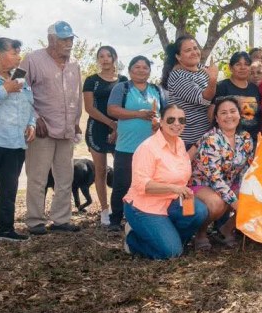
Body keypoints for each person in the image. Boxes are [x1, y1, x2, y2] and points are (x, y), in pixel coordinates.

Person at [122, 105, 208, 259]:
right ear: (161, 122)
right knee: (172, 253)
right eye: (171, 119)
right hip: (144, 207)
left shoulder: (180, 143)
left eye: (181, 120)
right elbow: (142, 185)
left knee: (199, 211)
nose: (177, 124)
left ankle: (166, 236)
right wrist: (174, 188)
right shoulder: (148, 148)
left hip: (171, 202)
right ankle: (132, 240)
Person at [20, 21, 82, 235]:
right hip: (42, 129)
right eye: (64, 39)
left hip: (66, 129)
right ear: (51, 40)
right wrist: (33, 118)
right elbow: (18, 89)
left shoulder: (75, 63)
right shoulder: (31, 59)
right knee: (38, 177)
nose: (69, 43)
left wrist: (76, 122)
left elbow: (77, 94)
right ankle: (35, 221)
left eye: (71, 39)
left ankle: (61, 219)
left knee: (66, 177)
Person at [107, 56, 168, 232]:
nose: (141, 70)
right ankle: (115, 219)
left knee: (149, 183)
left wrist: (160, 122)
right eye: (137, 67)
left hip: (151, 148)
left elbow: (166, 112)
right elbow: (112, 109)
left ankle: (145, 215)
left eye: (145, 67)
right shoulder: (122, 88)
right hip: (126, 146)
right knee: (122, 183)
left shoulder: (157, 90)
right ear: (130, 70)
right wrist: (138, 114)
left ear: (150, 71)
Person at [191, 97, 255, 249]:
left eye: (233, 111)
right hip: (203, 184)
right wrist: (235, 202)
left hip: (229, 184)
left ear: (240, 115)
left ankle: (226, 228)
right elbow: (214, 178)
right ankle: (200, 233)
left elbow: (247, 171)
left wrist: (246, 193)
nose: (229, 116)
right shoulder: (211, 139)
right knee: (217, 203)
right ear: (217, 118)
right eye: (223, 113)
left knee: (255, 196)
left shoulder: (245, 138)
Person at [0, 38, 35, 242]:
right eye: (14, 53)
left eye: (19, 52)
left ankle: (5, 230)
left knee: (9, 187)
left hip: (16, 142)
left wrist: (31, 123)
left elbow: (30, 103)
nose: (19, 57)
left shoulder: (20, 76)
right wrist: (5, 90)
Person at [82, 45, 127, 226]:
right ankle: (104, 210)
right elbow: (89, 108)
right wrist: (110, 124)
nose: (105, 59)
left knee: (122, 171)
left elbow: (125, 107)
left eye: (109, 55)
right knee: (100, 171)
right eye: (101, 56)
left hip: (120, 130)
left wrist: (117, 128)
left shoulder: (124, 80)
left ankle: (121, 208)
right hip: (97, 129)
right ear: (98, 60)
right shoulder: (92, 80)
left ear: (115, 58)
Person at [162, 35, 217, 150]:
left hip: (208, 137)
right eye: (188, 50)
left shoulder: (204, 69)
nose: (194, 52)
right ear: (178, 56)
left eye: (195, 48)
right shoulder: (177, 76)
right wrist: (212, 80)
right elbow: (204, 99)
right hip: (188, 140)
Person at [212, 51, 261, 140]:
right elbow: (211, 115)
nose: (243, 67)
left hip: (252, 141)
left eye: (246, 64)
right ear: (231, 67)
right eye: (238, 64)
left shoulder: (255, 89)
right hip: (227, 140)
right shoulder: (222, 87)